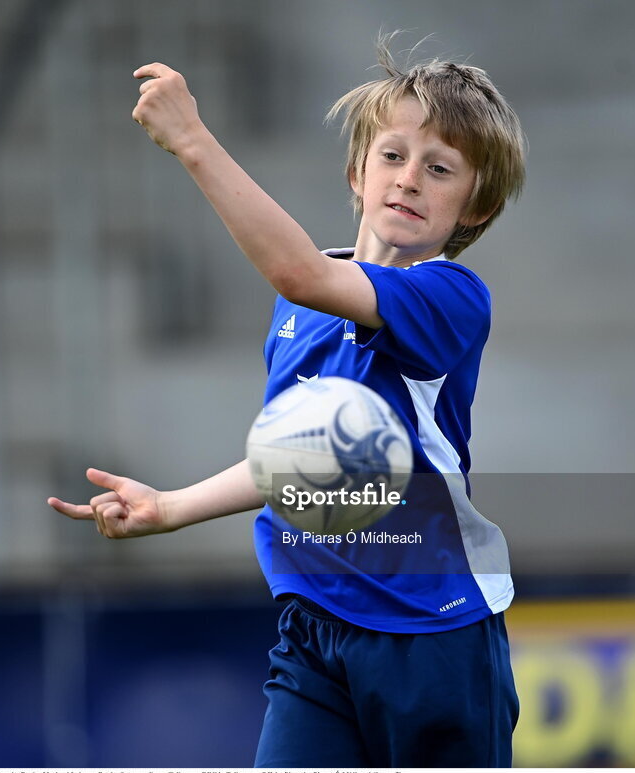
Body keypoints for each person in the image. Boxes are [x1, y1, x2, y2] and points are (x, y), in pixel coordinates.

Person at [48, 36, 526, 768]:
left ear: (476, 206)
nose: (408, 180)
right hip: (315, 629)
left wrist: (194, 142)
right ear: (357, 170)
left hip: (435, 641)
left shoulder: (453, 297)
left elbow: (298, 272)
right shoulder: (299, 303)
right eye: (392, 156)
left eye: (439, 169)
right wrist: (169, 507)